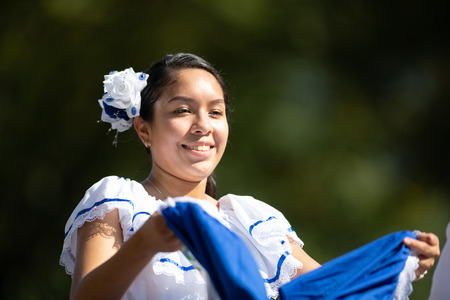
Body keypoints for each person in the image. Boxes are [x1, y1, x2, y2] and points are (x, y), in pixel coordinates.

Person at [60, 53, 440, 300]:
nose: (202, 127)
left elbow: (328, 290)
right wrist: (145, 243)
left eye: (216, 112)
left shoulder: (251, 218)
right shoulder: (120, 201)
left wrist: (397, 262)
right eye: (182, 111)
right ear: (144, 129)